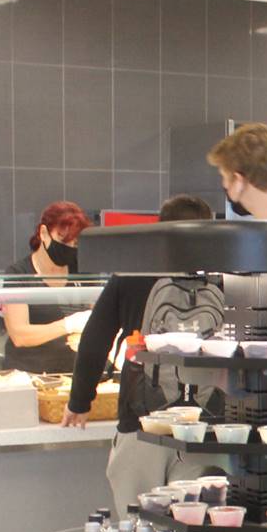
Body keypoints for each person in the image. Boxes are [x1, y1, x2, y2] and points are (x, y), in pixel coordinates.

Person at [62, 194, 215, 513]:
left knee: (137, 529)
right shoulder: (223, 279)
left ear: (160, 232)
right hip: (205, 423)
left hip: (143, 418)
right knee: (194, 531)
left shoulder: (132, 275)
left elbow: (95, 339)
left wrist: (80, 401)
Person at [1, 202, 93, 373]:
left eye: (75, 244)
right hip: (27, 377)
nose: (69, 249)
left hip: (72, 376)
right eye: (62, 240)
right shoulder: (19, 274)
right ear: (44, 233)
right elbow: (19, 335)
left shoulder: (82, 272)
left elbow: (97, 316)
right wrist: (68, 325)